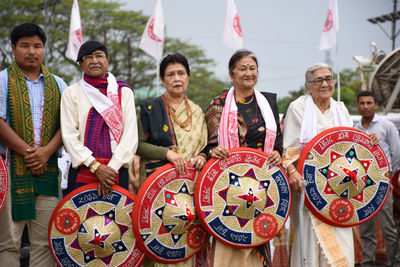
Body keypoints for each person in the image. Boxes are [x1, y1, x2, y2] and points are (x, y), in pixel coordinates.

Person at [205, 49, 283, 267]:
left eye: (252, 68)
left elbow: (278, 142)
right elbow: (208, 145)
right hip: (226, 188)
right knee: (229, 243)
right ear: (231, 75)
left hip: (261, 186)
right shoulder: (218, 104)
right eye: (243, 69)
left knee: (257, 237)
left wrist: (277, 153)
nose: (249, 73)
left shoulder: (268, 102)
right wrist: (213, 151)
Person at [0, 22, 67, 266]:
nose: (32, 51)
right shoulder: (3, 80)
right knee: (9, 242)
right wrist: (30, 153)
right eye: (25, 46)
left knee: (45, 241)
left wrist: (46, 152)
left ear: (44, 50)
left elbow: (67, 125)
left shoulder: (59, 84)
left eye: (37, 46)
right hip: (10, 169)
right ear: (13, 49)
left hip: (48, 170)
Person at [136, 53, 208, 266]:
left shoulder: (197, 111)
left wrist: (202, 157)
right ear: (162, 80)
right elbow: (138, 145)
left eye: (181, 73)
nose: (176, 78)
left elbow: (205, 147)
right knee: (158, 243)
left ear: (188, 77)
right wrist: (166, 153)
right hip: (157, 189)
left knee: (185, 243)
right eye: (171, 75)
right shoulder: (151, 109)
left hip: (189, 190)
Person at [282, 63, 354, 266]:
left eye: (329, 79)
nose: (325, 84)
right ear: (308, 86)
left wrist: (370, 141)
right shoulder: (298, 108)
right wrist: (292, 171)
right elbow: (289, 151)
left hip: (340, 188)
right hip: (309, 189)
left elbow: (353, 146)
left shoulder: (341, 109)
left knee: (342, 240)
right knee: (309, 242)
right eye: (319, 80)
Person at [60, 40, 138, 197]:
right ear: (81, 64)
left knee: (115, 220)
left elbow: (131, 136)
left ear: (107, 61)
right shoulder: (71, 93)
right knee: (81, 218)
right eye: (88, 57)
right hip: (83, 169)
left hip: (116, 171)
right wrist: (96, 167)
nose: (94, 60)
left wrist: (110, 170)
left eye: (99, 56)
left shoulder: (124, 92)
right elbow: (69, 136)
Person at [355, 90, 400, 267]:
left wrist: (388, 177)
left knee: (387, 226)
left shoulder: (386, 125)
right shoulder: (355, 129)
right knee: (366, 227)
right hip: (361, 185)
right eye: (362, 103)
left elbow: (396, 155)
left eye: (369, 103)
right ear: (358, 105)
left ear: (375, 105)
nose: (366, 107)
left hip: (381, 183)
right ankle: (367, 261)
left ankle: (396, 262)